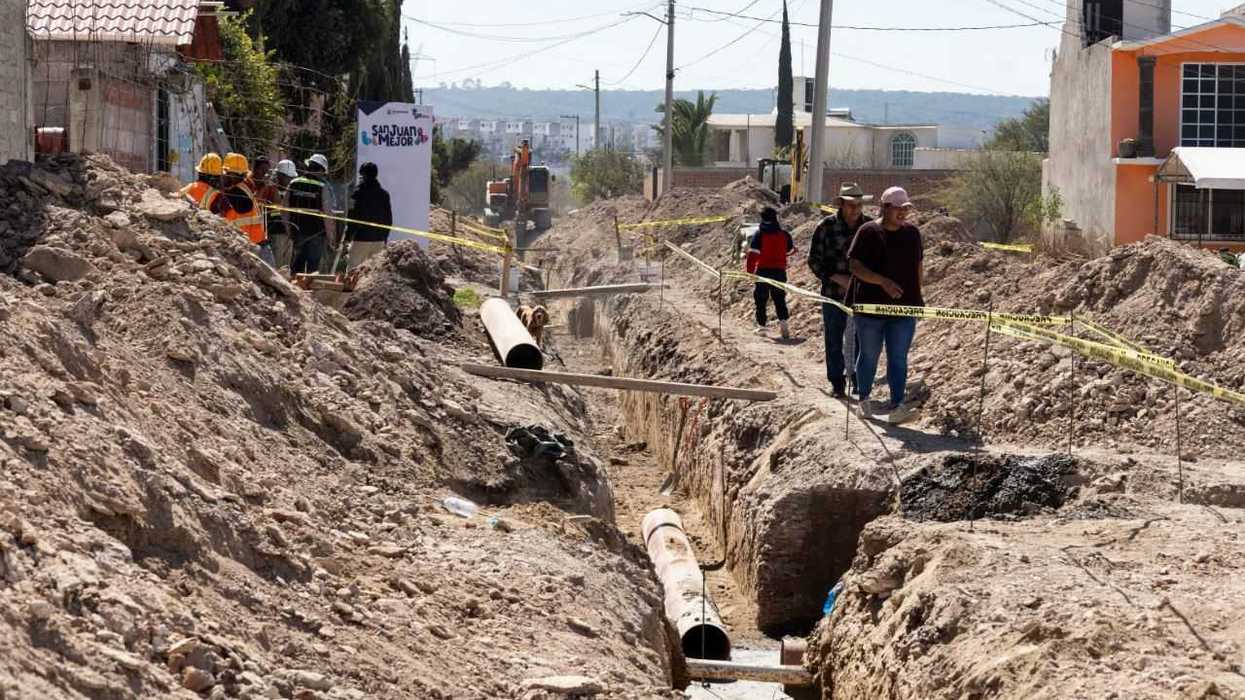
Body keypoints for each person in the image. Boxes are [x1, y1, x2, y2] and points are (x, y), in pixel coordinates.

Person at [848, 186, 925, 425]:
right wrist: (882, 282)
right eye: (897, 208)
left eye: (905, 209)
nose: (902, 213)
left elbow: (918, 267)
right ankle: (864, 400)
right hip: (870, 308)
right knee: (869, 354)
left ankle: (897, 406)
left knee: (898, 357)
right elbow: (855, 267)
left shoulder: (912, 234)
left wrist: (917, 297)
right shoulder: (868, 232)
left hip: (903, 309)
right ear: (885, 208)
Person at [808, 183, 871, 398]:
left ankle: (858, 380)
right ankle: (837, 383)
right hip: (834, 294)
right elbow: (814, 261)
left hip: (863, 295)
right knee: (834, 339)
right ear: (842, 205)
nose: (855, 209)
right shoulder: (825, 227)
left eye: (859, 205)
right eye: (851, 205)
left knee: (862, 340)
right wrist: (837, 277)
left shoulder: (870, 228)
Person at [746, 207, 795, 340]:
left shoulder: (759, 234)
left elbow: (753, 255)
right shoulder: (784, 234)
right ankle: (783, 323)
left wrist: (750, 272)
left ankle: (762, 326)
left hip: (763, 271)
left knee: (760, 299)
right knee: (779, 298)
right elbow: (790, 250)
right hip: (779, 271)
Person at [219, 153, 276, 268]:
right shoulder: (241, 188)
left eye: (226, 173)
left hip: (255, 248)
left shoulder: (236, 193)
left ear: (235, 175)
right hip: (252, 245)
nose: (223, 176)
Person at [286, 157, 337, 276]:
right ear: (320, 170)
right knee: (313, 270)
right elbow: (328, 215)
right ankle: (310, 293)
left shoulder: (293, 183)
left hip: (297, 233)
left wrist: (289, 230)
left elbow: (285, 210)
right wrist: (331, 238)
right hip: (317, 234)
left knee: (296, 268)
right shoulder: (322, 186)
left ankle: (294, 291)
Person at [344, 162, 392, 269]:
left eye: (361, 175)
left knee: (353, 272)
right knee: (374, 275)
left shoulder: (357, 193)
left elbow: (352, 217)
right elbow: (388, 219)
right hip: (378, 240)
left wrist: (347, 237)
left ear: (364, 175)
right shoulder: (384, 195)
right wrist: (384, 237)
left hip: (361, 239)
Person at [267, 159, 299, 271]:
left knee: (286, 265)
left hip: (288, 233)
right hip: (276, 232)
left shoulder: (291, 191)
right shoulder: (270, 190)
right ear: (280, 176)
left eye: (291, 178)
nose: (290, 180)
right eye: (288, 178)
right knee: (277, 264)